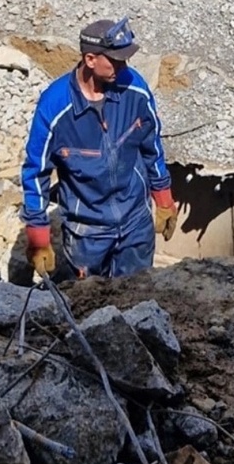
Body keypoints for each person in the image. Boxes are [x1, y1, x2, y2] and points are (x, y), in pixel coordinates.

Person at [20, 16, 178, 281]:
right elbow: (36, 172)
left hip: (135, 224)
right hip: (87, 234)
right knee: (89, 309)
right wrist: (38, 234)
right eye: (115, 61)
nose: (124, 66)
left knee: (137, 300)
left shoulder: (134, 89)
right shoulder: (55, 107)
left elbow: (152, 145)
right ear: (91, 60)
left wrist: (163, 197)